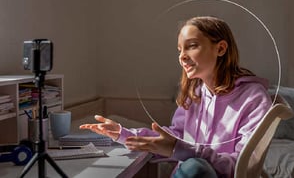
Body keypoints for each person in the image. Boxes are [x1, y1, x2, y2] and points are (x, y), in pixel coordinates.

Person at [79, 16, 272, 178]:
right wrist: (124, 134)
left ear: (220, 49)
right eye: (180, 50)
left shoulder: (253, 98)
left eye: (192, 46)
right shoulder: (194, 93)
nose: (182, 56)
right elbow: (175, 137)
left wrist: (182, 149)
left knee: (196, 167)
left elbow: (241, 166)